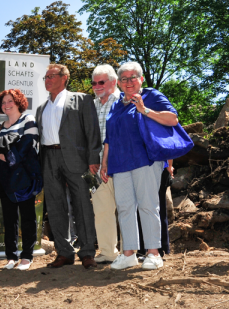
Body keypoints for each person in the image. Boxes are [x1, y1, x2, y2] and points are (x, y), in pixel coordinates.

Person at [100, 62, 180, 271]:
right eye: (124, 78)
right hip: (120, 162)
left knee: (147, 205)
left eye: (132, 77)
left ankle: (153, 253)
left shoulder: (152, 95)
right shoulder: (117, 104)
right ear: (118, 82)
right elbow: (110, 137)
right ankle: (129, 254)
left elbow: (172, 119)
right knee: (125, 208)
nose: (128, 82)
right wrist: (104, 163)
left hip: (146, 159)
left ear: (141, 79)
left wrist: (145, 110)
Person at [35, 64, 102, 269]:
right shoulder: (41, 108)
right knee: (55, 207)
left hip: (76, 159)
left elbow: (92, 131)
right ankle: (64, 252)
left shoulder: (81, 99)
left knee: (82, 204)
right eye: (45, 77)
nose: (47, 80)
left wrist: (93, 158)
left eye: (51, 76)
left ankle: (88, 252)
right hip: (49, 157)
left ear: (64, 78)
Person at [0, 89, 41, 271]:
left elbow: (29, 142)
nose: (6, 105)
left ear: (18, 102)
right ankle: (11, 256)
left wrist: (8, 157)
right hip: (5, 177)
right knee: (9, 218)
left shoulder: (28, 120)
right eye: (3, 102)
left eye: (10, 101)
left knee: (27, 217)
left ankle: (27, 256)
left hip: (25, 177)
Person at [90, 64, 122, 264]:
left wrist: (108, 162)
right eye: (94, 83)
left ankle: (131, 251)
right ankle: (108, 252)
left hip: (121, 164)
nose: (96, 86)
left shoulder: (123, 102)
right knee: (102, 211)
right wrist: (91, 161)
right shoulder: (91, 105)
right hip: (96, 168)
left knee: (127, 210)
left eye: (101, 82)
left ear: (113, 82)